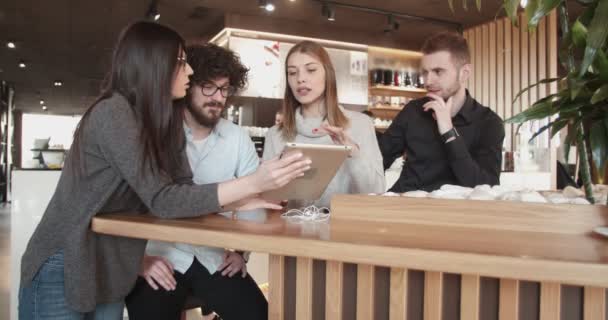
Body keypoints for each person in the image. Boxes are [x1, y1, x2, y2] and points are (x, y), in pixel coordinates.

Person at [18, 22, 309, 320]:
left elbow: (182, 187)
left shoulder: (158, 125)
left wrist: (243, 199)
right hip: (67, 260)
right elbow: (164, 199)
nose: (191, 72)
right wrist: (252, 183)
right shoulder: (114, 113)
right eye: (182, 63)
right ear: (154, 65)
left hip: (113, 264)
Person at [126, 44, 266, 320]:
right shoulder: (155, 133)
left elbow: (254, 207)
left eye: (224, 89)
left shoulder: (237, 138)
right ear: (187, 86)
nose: (218, 98)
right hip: (157, 257)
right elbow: (128, 205)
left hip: (211, 258)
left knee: (260, 314)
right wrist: (137, 262)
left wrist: (240, 252)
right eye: (208, 87)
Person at [263, 40, 385, 208]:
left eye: (311, 70)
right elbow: (267, 199)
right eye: (292, 73)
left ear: (328, 74)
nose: (300, 79)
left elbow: (376, 191)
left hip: (347, 229)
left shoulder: (361, 125)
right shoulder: (275, 135)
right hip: (293, 230)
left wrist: (354, 154)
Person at [379, 32, 505, 192]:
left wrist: (448, 132)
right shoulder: (413, 111)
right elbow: (379, 160)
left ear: (464, 73)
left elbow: (486, 189)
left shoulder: (489, 123)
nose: (428, 81)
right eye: (425, 72)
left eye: (438, 71)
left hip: (451, 213)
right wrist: (355, 151)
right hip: (404, 207)